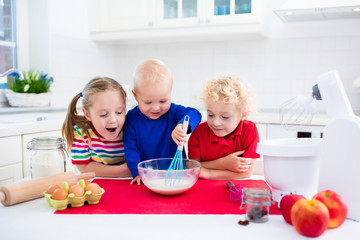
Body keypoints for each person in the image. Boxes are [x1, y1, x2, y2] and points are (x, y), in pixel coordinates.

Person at [123, 59, 202, 185]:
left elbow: (195, 114)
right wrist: (137, 172)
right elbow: (130, 149)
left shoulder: (173, 112)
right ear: (135, 96)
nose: (156, 107)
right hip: (149, 176)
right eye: (148, 102)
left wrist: (182, 125)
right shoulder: (131, 118)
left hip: (177, 174)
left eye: (163, 101)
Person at [188, 75, 260, 179]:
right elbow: (192, 167)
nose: (216, 123)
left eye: (225, 117)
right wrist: (223, 163)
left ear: (243, 114)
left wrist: (209, 173)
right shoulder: (199, 133)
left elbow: (247, 172)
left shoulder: (249, 130)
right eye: (211, 115)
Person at [62, 77, 131, 178]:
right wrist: (123, 170)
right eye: (103, 114)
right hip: (93, 182)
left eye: (119, 112)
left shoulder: (131, 127)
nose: (113, 120)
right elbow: (83, 167)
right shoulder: (81, 132)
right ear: (88, 114)